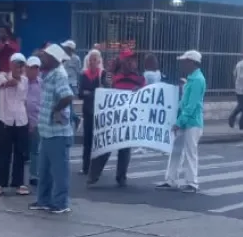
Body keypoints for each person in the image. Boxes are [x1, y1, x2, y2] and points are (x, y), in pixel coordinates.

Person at [87, 49, 146, 187]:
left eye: (133, 60)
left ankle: (121, 177)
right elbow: (105, 93)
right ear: (122, 61)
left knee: (125, 150)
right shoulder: (112, 76)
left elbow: (145, 96)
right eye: (128, 60)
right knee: (105, 146)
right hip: (113, 118)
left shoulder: (140, 78)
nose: (132, 62)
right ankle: (93, 176)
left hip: (128, 119)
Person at [28, 44, 74, 214]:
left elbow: (67, 96)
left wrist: (56, 109)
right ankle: (43, 200)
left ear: (54, 59)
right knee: (44, 170)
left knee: (59, 171)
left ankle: (61, 203)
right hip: (47, 131)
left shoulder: (59, 75)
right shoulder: (49, 74)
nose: (42, 59)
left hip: (57, 133)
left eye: (46, 57)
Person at [157, 50, 206, 193]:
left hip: (193, 122)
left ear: (192, 63)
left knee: (190, 152)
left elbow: (191, 105)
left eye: (185, 62)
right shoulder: (191, 78)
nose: (182, 64)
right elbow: (184, 102)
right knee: (176, 151)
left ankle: (192, 182)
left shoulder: (198, 80)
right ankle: (171, 180)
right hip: (185, 120)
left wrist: (179, 121)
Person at [0, 53, 31, 196]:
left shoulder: (25, 80)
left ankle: (19, 183)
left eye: (22, 65)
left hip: (21, 120)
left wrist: (17, 78)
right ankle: (0, 183)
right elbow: (5, 84)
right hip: (5, 120)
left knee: (20, 153)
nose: (19, 67)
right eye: (16, 64)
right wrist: (10, 78)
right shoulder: (2, 76)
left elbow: (19, 88)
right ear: (11, 64)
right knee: (3, 152)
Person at [78, 49, 106, 175]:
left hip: (99, 112)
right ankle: (85, 167)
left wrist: (89, 92)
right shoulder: (84, 74)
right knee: (87, 140)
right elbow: (80, 93)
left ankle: (95, 168)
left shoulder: (102, 74)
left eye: (95, 59)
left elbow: (104, 92)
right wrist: (93, 93)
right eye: (91, 59)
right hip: (87, 112)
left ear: (99, 61)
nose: (93, 62)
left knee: (97, 141)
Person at [25, 56, 43, 187]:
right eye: (32, 68)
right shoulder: (22, 83)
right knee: (22, 151)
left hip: (38, 121)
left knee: (35, 150)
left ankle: (34, 175)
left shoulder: (41, 83)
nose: (34, 71)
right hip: (23, 121)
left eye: (36, 68)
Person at [60, 40, 82, 131]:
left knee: (69, 104)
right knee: (67, 105)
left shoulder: (76, 59)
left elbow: (78, 72)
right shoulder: (62, 57)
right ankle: (76, 119)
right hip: (64, 82)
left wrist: (78, 85)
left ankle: (73, 120)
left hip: (72, 84)